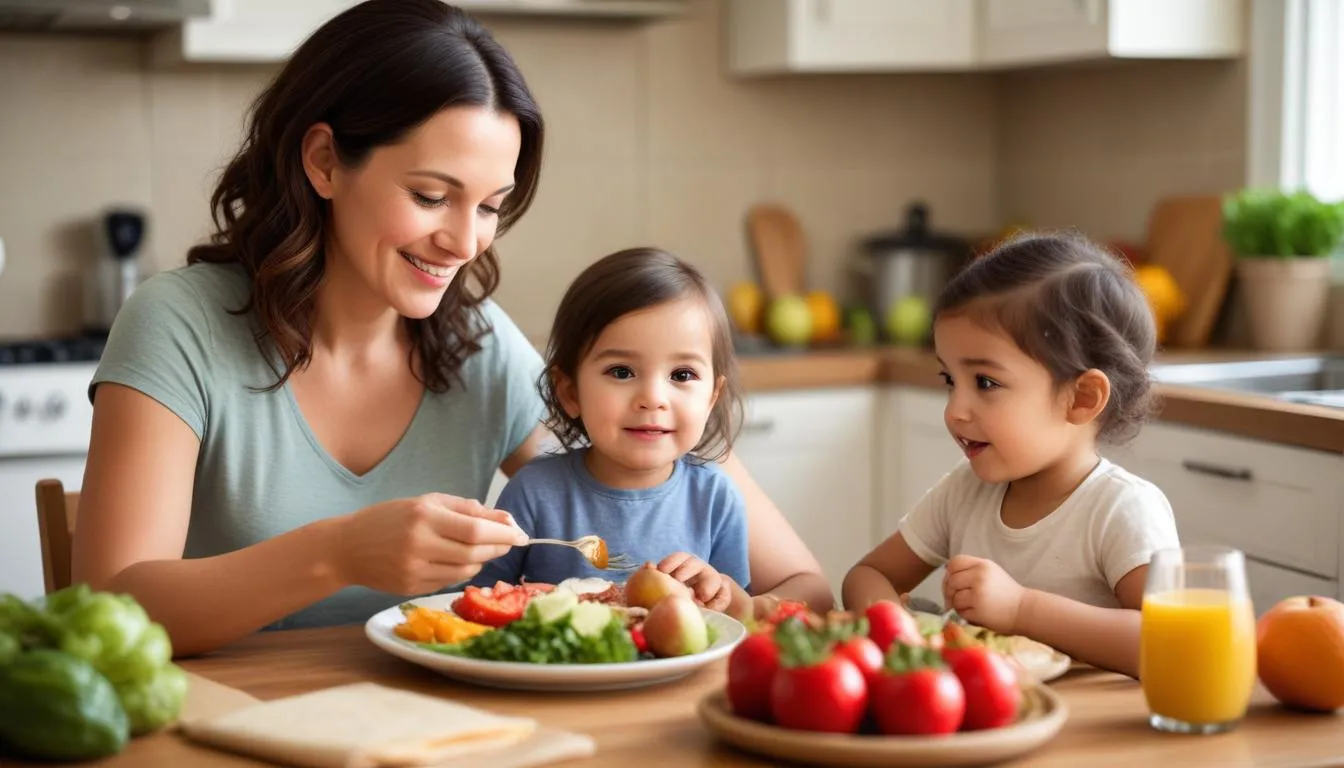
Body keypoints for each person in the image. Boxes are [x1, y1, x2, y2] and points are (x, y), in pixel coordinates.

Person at [71, 0, 832, 657]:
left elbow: (663, 489)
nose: (467, 242)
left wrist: (709, 557)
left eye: (492, 205)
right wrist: (336, 554)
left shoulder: (475, 343)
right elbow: (109, 607)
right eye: (433, 196)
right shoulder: (178, 326)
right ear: (326, 161)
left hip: (435, 729)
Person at [841, 232, 1179, 678]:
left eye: (984, 383)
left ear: (1081, 398)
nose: (955, 411)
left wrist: (1021, 608)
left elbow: (1169, 643)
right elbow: (865, 575)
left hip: (1083, 735)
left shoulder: (1122, 509)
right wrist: (897, 629)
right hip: (977, 719)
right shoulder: (963, 493)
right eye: (950, 381)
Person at [470, 248, 753, 618]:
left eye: (682, 375)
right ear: (570, 393)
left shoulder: (715, 497)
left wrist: (723, 593)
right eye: (621, 372)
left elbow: (739, 620)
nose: (653, 398)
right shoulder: (534, 492)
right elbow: (483, 601)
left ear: (712, 398)